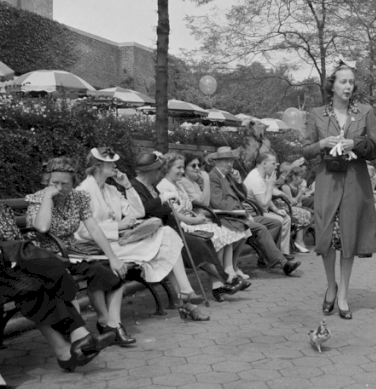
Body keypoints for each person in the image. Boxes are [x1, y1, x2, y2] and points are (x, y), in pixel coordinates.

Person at [74, 148, 211, 324]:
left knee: (167, 235)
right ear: (99, 166)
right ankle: (185, 298)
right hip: (97, 247)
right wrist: (117, 226)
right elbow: (83, 231)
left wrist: (127, 186)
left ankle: (185, 291)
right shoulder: (83, 191)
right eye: (111, 163)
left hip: (118, 240)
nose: (115, 166)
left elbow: (137, 212)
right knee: (165, 244)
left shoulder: (110, 189)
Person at [302, 62, 376, 320]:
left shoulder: (365, 112)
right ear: (332, 86)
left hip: (354, 183)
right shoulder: (316, 114)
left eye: (351, 82)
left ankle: (344, 295)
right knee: (326, 237)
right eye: (342, 82)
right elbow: (305, 151)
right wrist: (322, 143)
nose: (348, 86)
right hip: (327, 181)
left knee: (348, 236)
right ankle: (330, 286)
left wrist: (356, 143)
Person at [26, 156, 135, 346]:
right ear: (47, 182)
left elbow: (93, 228)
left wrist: (113, 258)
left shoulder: (79, 197)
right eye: (54, 183)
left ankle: (110, 323)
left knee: (110, 269)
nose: (59, 188)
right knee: (66, 281)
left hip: (71, 251)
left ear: (73, 183)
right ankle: (82, 335)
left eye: (65, 184)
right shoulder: (39, 198)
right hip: (45, 255)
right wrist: (46, 197)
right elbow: (42, 227)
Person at [1, 201, 117, 371]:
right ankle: (72, 345)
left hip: (11, 265)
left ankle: (69, 348)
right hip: (7, 270)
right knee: (33, 286)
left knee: (40, 283)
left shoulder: (3, 208)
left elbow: (14, 240)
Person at [151, 152, 249, 302]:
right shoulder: (164, 187)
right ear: (167, 168)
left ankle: (218, 284)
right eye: (178, 168)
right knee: (217, 234)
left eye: (183, 168)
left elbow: (188, 206)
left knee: (223, 232)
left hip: (191, 221)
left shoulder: (177, 184)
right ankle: (223, 279)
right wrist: (195, 220)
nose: (182, 171)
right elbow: (174, 215)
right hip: (181, 226)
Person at [207, 147, 302, 278]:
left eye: (231, 161)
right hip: (229, 217)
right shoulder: (213, 177)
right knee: (261, 228)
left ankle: (265, 257)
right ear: (216, 161)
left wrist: (239, 182)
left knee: (275, 223)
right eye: (225, 161)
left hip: (242, 214)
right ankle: (283, 263)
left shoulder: (228, 176)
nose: (229, 164)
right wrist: (242, 213)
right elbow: (218, 203)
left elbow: (242, 196)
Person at [244, 154, 293, 258]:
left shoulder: (263, 175)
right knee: (279, 221)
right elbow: (264, 204)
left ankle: (282, 252)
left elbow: (265, 195)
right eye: (273, 163)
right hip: (253, 213)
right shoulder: (255, 179)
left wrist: (276, 209)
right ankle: (269, 254)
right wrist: (271, 185)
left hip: (259, 210)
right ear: (264, 164)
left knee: (286, 218)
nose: (276, 166)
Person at [277, 166, 314, 250]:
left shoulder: (297, 186)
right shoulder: (286, 187)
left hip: (296, 208)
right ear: (294, 177)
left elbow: (298, 198)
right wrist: (301, 193)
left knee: (313, 214)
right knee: (306, 214)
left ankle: (298, 238)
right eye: (300, 177)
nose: (302, 180)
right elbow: (291, 202)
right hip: (287, 209)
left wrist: (305, 195)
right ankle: (297, 240)